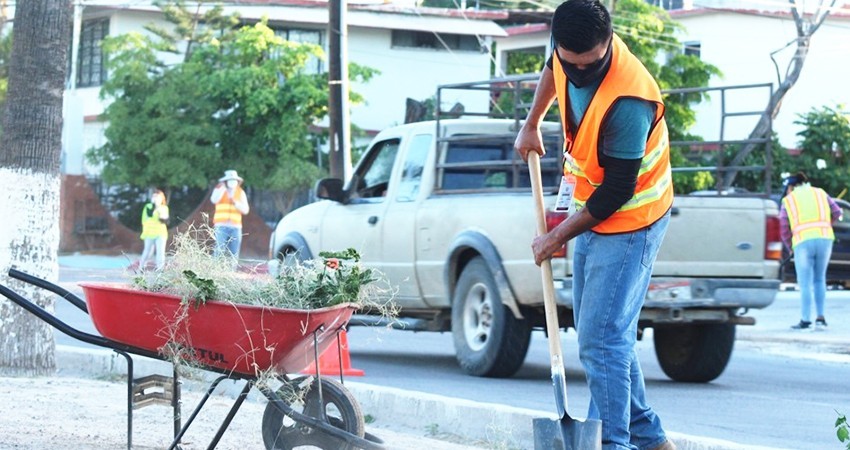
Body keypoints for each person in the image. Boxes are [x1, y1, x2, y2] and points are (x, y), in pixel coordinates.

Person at [513, 1, 675, 449]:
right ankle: (652, 438)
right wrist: (532, 123)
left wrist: (556, 236)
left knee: (602, 340)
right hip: (591, 206)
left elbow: (617, 192)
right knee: (605, 336)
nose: (579, 73)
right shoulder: (565, 50)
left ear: (608, 45)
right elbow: (552, 68)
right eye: (572, 63)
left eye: (592, 64)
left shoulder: (630, 99)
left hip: (632, 218)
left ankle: (614, 443)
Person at [780, 172, 842, 331]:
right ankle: (820, 318)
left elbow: (783, 227)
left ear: (792, 186)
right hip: (825, 238)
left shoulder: (789, 200)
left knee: (805, 283)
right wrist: (825, 225)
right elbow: (837, 212)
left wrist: (790, 246)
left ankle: (806, 320)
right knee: (820, 279)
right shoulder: (820, 192)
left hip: (802, 242)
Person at [210, 170, 250, 260]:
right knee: (219, 249)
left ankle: (232, 270)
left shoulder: (241, 192)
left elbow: (246, 210)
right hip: (221, 225)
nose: (232, 182)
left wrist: (236, 204)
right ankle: (214, 269)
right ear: (225, 181)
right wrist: (223, 188)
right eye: (230, 180)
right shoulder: (219, 189)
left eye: (234, 180)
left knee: (234, 253)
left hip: (236, 226)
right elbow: (214, 200)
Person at [138, 189, 169, 270]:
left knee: (160, 252)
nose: (156, 198)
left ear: (162, 198)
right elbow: (147, 216)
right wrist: (153, 205)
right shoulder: (148, 206)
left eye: (158, 197)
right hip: (149, 232)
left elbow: (164, 220)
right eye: (154, 196)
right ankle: (141, 267)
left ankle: (160, 270)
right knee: (148, 252)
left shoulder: (164, 208)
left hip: (161, 232)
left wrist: (159, 211)